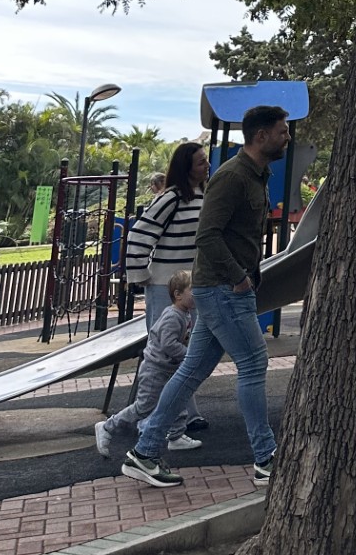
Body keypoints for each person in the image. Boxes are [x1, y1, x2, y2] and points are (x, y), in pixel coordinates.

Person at [123, 104, 291, 489]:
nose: (287, 137)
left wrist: (249, 275)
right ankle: (265, 458)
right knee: (253, 363)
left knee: (192, 371)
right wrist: (238, 278)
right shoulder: (231, 177)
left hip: (225, 288)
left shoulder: (257, 175)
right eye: (282, 131)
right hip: (221, 288)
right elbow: (208, 236)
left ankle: (145, 451)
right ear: (261, 136)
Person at [94, 269, 198, 456]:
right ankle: (108, 426)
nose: (197, 294)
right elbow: (168, 344)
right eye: (193, 290)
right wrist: (189, 354)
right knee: (143, 407)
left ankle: (176, 436)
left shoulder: (185, 314)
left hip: (168, 368)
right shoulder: (173, 316)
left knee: (178, 398)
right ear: (178, 295)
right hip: (155, 369)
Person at [125, 141, 208, 328]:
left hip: (195, 282)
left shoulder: (204, 196)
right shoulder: (172, 198)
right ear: (187, 168)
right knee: (165, 337)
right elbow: (139, 234)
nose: (207, 166)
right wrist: (142, 275)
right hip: (166, 284)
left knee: (192, 338)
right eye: (201, 162)